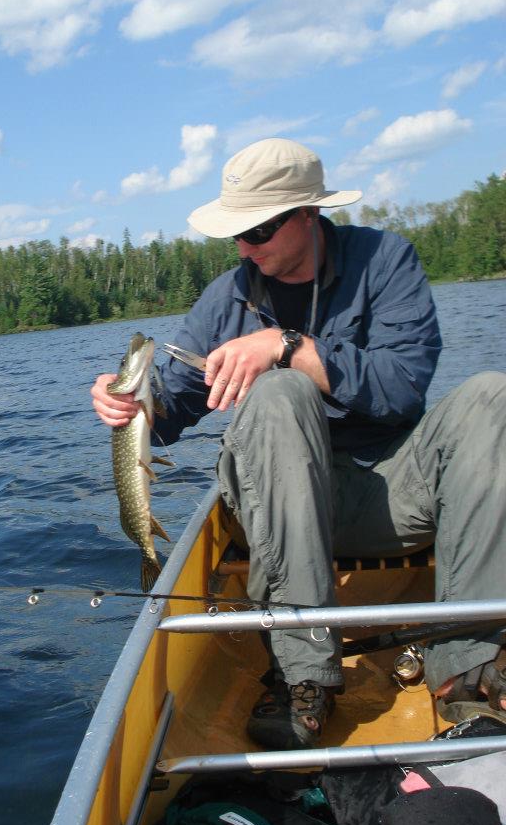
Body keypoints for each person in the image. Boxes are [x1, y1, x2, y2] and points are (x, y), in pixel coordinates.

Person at [91, 138, 506, 750]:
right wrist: (126, 404)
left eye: (257, 230)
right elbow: (175, 408)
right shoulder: (225, 300)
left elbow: (401, 391)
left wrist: (293, 348)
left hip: (393, 497)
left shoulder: (385, 262)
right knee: (280, 396)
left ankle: (471, 674)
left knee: (493, 395)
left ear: (310, 214)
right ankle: (301, 676)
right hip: (276, 513)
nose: (244, 248)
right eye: (235, 234)